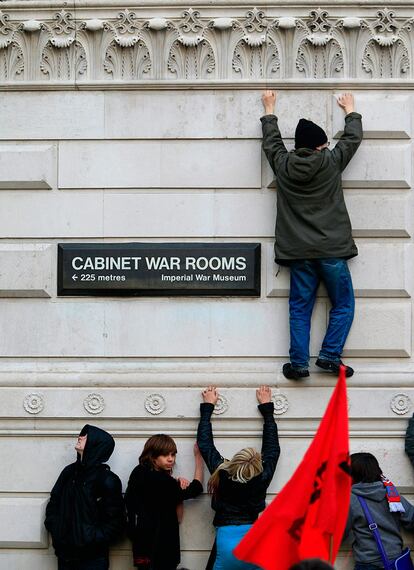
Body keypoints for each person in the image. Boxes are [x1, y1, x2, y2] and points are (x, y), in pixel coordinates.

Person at [261, 90, 363, 380]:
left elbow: (272, 143)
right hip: (331, 250)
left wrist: (270, 108)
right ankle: (330, 355)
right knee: (342, 304)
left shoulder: (283, 165)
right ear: (320, 146)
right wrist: (350, 110)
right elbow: (352, 139)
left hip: (299, 254)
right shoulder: (330, 163)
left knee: (300, 309)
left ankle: (298, 364)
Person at [197, 385, 280, 570]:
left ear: (234, 461)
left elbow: (205, 445)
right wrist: (267, 409)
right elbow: (272, 449)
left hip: (225, 536)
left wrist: (207, 406)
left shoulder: (222, 474)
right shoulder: (262, 477)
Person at [44, 424, 126, 570]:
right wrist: (57, 529)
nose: (80, 437)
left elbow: (117, 523)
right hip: (65, 556)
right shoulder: (69, 472)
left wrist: (91, 538)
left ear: (96, 444)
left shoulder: (107, 479)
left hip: (93, 559)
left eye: (86, 436)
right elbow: (54, 502)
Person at [125, 434, 204, 570]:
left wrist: (175, 482)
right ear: (153, 456)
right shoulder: (163, 482)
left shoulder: (138, 472)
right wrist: (198, 458)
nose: (170, 459)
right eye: (165, 455)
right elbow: (196, 488)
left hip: (141, 546)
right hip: (161, 549)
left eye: (173, 455)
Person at [344, 452, 414, 569]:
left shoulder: (351, 500)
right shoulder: (391, 494)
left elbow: (340, 534)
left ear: (353, 475)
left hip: (368, 563)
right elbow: (412, 520)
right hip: (396, 562)